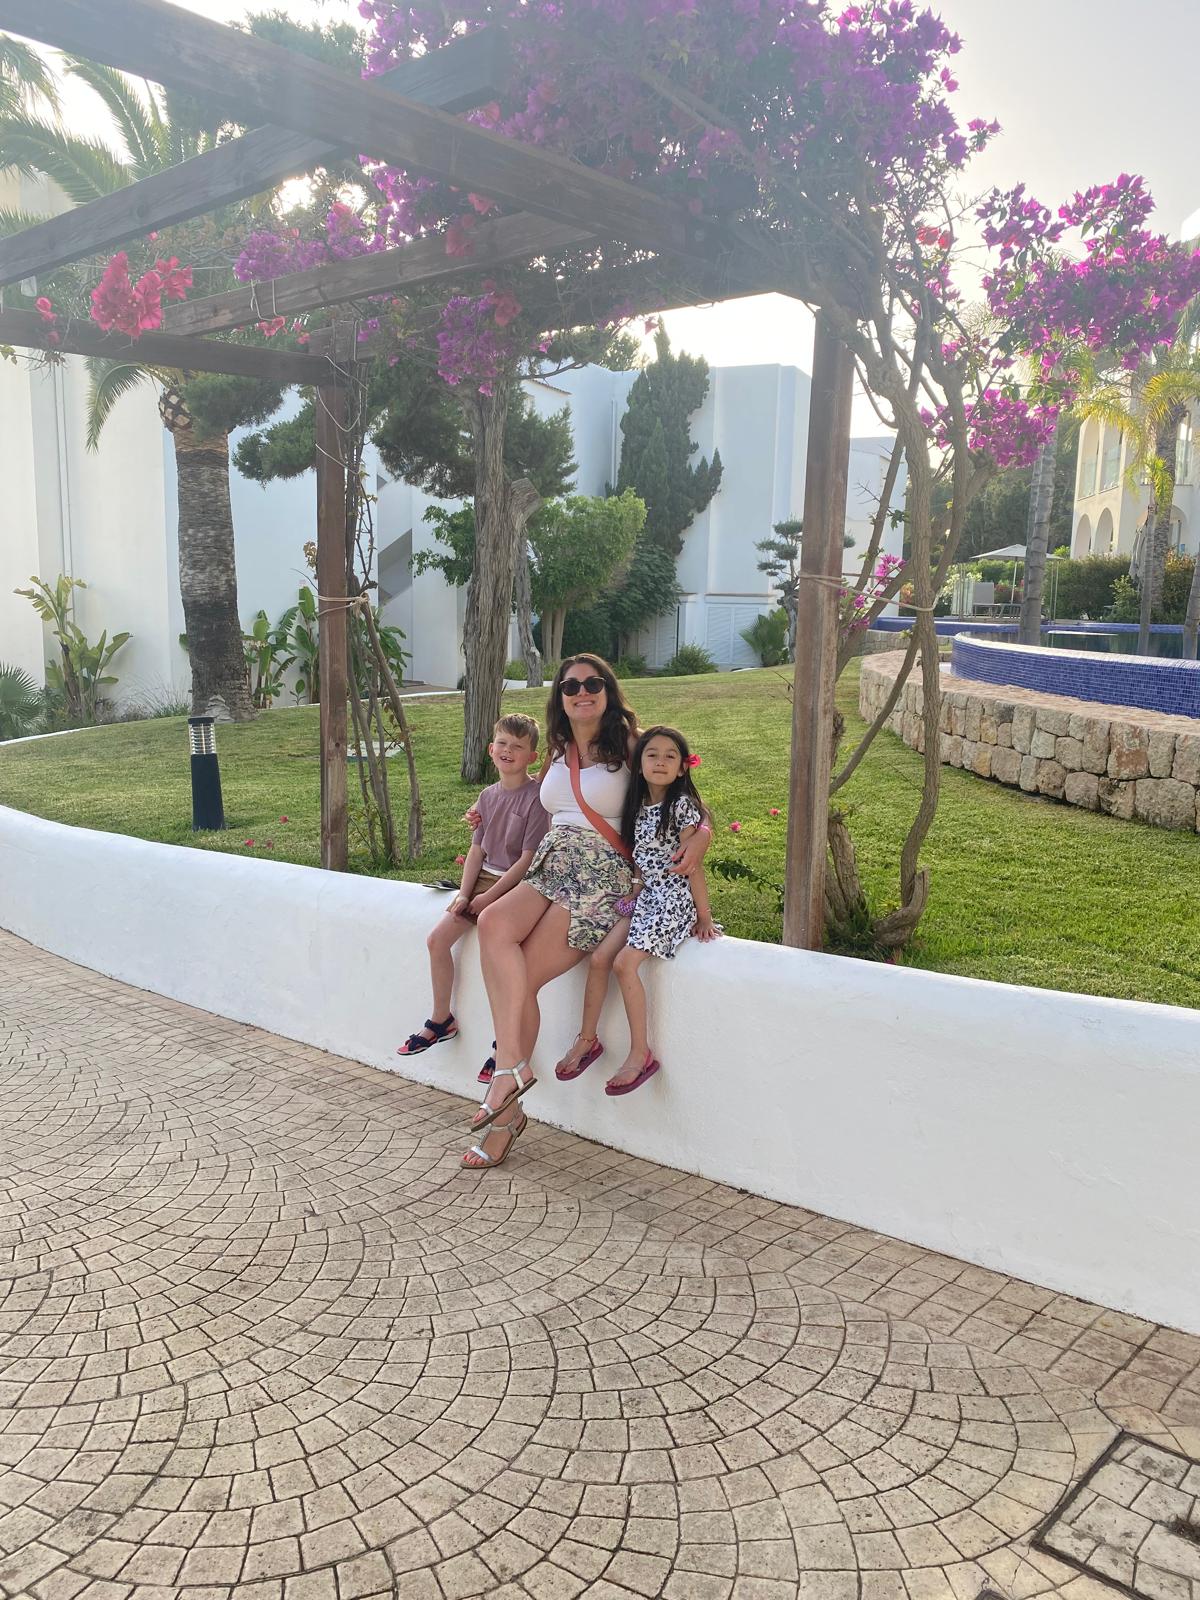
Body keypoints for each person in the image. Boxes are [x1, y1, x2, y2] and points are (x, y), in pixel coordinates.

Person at [460, 655, 712, 1170]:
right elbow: (538, 797)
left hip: (601, 873)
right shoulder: (558, 749)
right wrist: (484, 812)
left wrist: (702, 833)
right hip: (553, 861)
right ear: (560, 697)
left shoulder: (632, 744)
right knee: (492, 922)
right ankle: (513, 1073)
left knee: (521, 981)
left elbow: (683, 791)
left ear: (608, 691)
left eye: (593, 683)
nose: (582, 691)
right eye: (571, 685)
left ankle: (506, 1099)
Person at [397, 714, 547, 1060]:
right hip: (480, 884)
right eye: (503, 744)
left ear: (532, 756)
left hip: (512, 887)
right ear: (491, 749)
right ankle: (441, 1020)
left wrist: (488, 898)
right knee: (436, 940)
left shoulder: (536, 797)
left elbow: (526, 860)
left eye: (518, 746)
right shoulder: (486, 796)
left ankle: (504, 1046)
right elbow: (477, 850)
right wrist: (465, 894)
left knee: (495, 965)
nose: (508, 751)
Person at [600, 725, 722, 1093]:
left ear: (683, 768)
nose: (661, 762)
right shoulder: (639, 807)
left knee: (623, 963)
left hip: (673, 899)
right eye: (652, 754)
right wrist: (636, 890)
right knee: (605, 955)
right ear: (638, 764)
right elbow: (642, 859)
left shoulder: (681, 806)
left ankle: (640, 1053)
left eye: (671, 756)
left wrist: (704, 915)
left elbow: (691, 865)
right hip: (649, 896)